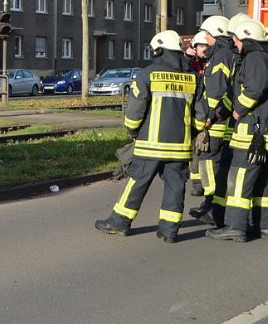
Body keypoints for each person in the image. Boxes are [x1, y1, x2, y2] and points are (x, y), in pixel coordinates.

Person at [95, 30, 199, 243]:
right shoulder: (193, 77)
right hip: (180, 147)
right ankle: (169, 231)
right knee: (175, 187)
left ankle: (119, 222)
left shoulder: (147, 74)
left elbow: (134, 111)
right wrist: (192, 134)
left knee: (137, 183)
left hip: (150, 145)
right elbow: (201, 115)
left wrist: (133, 132)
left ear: (158, 50)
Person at [206, 19, 268, 242]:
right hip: (261, 130)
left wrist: (238, 109)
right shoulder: (261, 57)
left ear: (247, 39)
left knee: (239, 178)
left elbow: (254, 89)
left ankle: (235, 226)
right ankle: (263, 225)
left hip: (251, 132)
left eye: (237, 39)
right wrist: (221, 111)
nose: (234, 42)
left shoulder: (254, 58)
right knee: (261, 180)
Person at [190, 16, 236, 227]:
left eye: (207, 34)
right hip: (219, 120)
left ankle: (212, 207)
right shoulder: (225, 54)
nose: (205, 38)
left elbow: (217, 90)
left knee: (209, 162)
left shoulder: (221, 56)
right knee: (214, 164)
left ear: (216, 35)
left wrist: (207, 119)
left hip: (215, 123)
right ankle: (212, 205)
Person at [187, 30, 211, 197]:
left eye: (206, 45)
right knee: (195, 151)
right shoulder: (191, 64)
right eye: (201, 45)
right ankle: (197, 184)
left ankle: (208, 186)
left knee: (207, 154)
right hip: (196, 114)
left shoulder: (215, 62)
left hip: (212, 115)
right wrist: (187, 57)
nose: (204, 49)